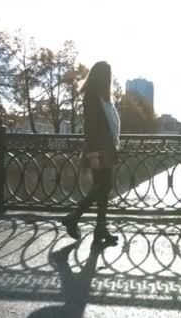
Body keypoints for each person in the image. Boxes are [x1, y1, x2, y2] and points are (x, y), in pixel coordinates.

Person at [61, 61, 120, 244]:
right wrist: (93, 154)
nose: (110, 78)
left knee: (103, 189)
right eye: (108, 75)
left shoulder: (102, 98)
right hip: (99, 150)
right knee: (102, 188)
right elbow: (90, 128)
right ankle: (74, 216)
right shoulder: (93, 98)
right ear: (102, 77)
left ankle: (100, 228)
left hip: (106, 148)